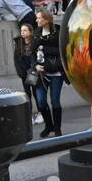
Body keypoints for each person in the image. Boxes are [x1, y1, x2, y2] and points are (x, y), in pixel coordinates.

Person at [31, 9, 64, 137]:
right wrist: (35, 66)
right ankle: (48, 125)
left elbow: (61, 50)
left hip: (56, 72)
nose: (37, 20)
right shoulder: (37, 32)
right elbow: (33, 53)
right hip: (41, 73)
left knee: (55, 101)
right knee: (41, 102)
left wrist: (44, 47)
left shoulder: (57, 31)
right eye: (37, 18)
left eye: (39, 18)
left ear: (47, 19)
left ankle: (57, 127)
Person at [12, 22, 45, 126]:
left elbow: (38, 57)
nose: (23, 32)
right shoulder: (18, 43)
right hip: (24, 73)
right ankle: (29, 116)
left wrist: (34, 70)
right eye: (21, 30)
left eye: (25, 30)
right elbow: (16, 59)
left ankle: (41, 114)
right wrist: (21, 73)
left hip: (33, 71)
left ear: (30, 32)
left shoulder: (35, 42)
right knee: (27, 94)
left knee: (36, 93)